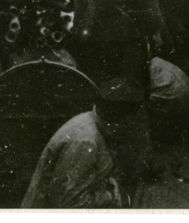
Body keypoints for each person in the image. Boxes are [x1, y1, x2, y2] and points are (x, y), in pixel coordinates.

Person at [21, 78, 147, 208]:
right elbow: (69, 203)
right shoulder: (85, 142)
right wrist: (110, 196)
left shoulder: (93, 122)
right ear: (126, 119)